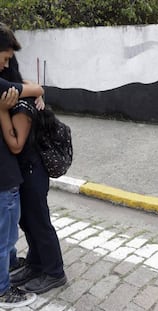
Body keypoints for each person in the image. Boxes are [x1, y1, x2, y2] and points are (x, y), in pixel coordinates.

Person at [0, 23, 67, 295]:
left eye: (7, 61)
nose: (4, 66)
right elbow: (33, 86)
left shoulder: (18, 101)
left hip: (31, 168)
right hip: (22, 170)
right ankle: (37, 264)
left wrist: (35, 92)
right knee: (27, 220)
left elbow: (16, 145)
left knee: (38, 220)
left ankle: (54, 272)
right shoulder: (15, 90)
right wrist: (37, 89)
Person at [0, 24, 39, 308]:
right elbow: (36, 88)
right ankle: (3, 290)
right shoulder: (3, 88)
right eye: (5, 57)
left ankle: (11, 265)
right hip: (3, 177)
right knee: (5, 237)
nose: (6, 64)